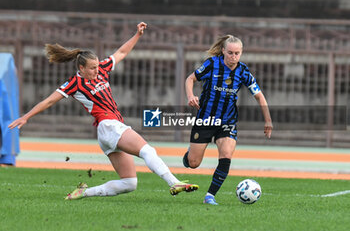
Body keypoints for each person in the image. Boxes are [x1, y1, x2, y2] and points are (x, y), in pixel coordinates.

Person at [8, 22, 198, 200]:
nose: (96, 71)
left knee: (129, 183)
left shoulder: (103, 69)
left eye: (97, 66)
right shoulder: (74, 83)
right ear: (81, 68)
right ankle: (174, 183)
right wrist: (26, 117)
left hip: (109, 131)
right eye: (92, 68)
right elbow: (49, 101)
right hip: (108, 125)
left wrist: (137, 35)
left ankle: (83, 192)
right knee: (148, 150)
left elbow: (122, 52)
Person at [183, 35, 273, 205]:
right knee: (193, 163)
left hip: (227, 121)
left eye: (237, 53)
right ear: (223, 50)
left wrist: (268, 120)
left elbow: (259, 96)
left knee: (226, 155)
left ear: (241, 53)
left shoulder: (243, 71)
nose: (233, 56)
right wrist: (190, 96)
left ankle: (210, 196)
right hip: (205, 119)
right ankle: (188, 156)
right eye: (230, 52)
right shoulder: (211, 64)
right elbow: (190, 78)